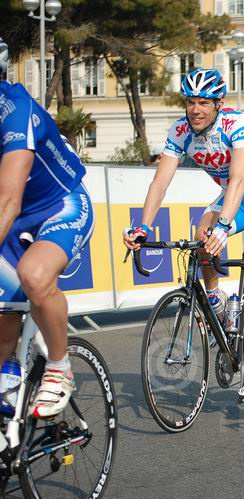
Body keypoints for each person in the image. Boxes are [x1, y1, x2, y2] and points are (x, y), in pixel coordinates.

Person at [122, 68, 244, 399]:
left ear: (218, 104)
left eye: (203, 102)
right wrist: (143, 226)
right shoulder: (180, 131)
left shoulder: (236, 123)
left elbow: (240, 176)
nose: (195, 109)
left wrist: (225, 225)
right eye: (190, 102)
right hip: (233, 193)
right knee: (200, 235)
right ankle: (217, 300)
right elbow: (161, 181)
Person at [0, 37, 94, 417]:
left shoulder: (14, 110)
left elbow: (9, 201)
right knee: (5, 313)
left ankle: (59, 366)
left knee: (34, 276)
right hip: (13, 217)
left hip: (60, 205)